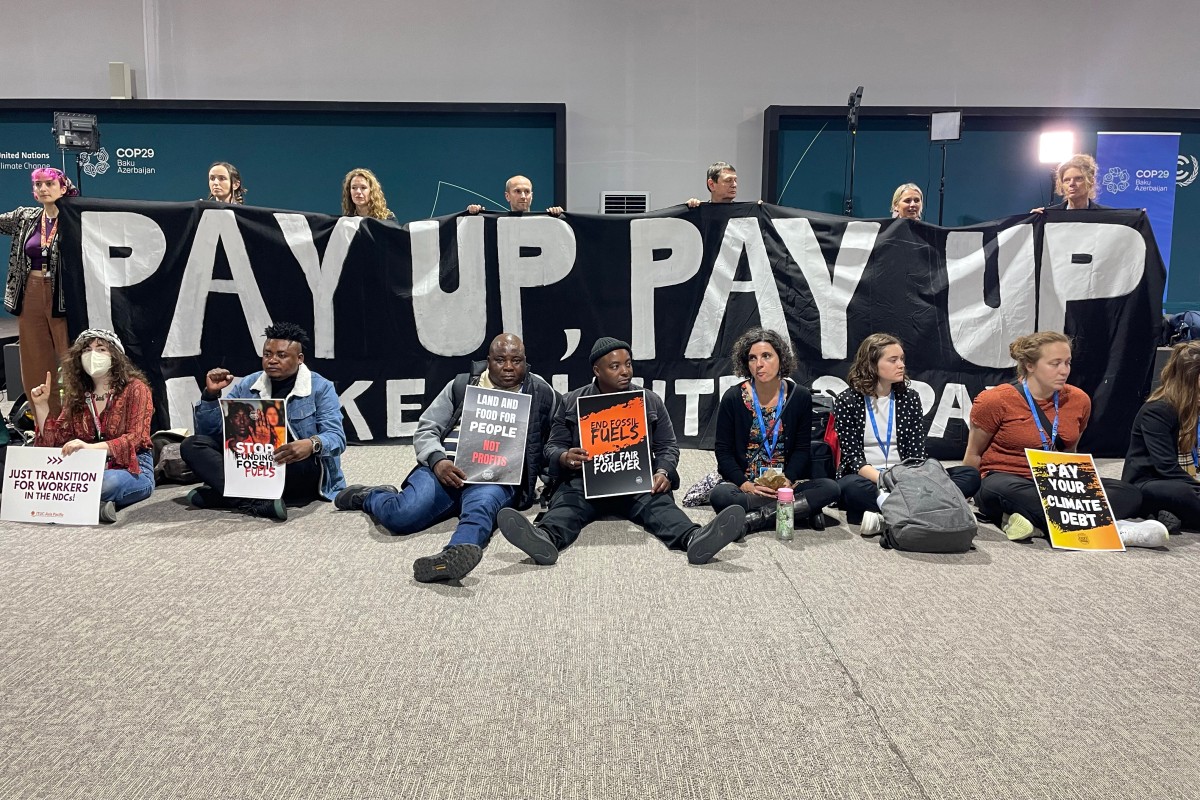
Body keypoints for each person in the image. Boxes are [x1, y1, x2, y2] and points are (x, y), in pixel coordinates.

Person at [497, 337, 745, 566]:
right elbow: (553, 447)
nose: (625, 371)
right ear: (597, 371)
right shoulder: (572, 401)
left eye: (628, 364)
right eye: (615, 366)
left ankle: (694, 538)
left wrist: (663, 471)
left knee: (660, 507)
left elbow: (667, 446)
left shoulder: (648, 400)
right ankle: (544, 538)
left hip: (633, 480)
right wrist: (565, 457)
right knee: (565, 509)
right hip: (585, 481)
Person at [335, 334, 559, 583]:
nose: (508, 367)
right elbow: (427, 428)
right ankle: (371, 497)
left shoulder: (540, 392)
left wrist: (550, 483)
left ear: (525, 361)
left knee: (480, 511)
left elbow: (553, 439)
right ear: (488, 361)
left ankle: (452, 557)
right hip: (446, 468)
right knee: (401, 517)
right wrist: (437, 460)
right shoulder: (462, 385)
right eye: (500, 360)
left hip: (495, 475)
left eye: (516, 360)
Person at [965, 331, 1166, 547]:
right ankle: (1112, 528)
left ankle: (1036, 524)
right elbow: (974, 453)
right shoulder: (995, 400)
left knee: (1129, 493)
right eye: (1055, 363)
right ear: (1030, 365)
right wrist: (962, 498)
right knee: (1001, 491)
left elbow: (1071, 454)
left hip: (1056, 483)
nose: (1064, 371)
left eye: (1067, 363)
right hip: (1007, 478)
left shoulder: (1079, 400)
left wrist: (1076, 486)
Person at [181, 322, 346, 519]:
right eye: (267, 354)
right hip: (251, 461)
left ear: (299, 358)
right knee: (192, 445)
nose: (272, 360)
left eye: (281, 355)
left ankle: (225, 495)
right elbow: (212, 433)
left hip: (292, 464)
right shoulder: (249, 384)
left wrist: (312, 444)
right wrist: (211, 395)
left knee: (298, 463)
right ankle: (256, 502)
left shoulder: (321, 388)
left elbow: (336, 437)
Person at [833, 333, 980, 533]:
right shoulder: (847, 400)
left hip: (906, 476)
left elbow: (916, 452)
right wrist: (884, 480)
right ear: (872, 364)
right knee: (850, 488)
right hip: (868, 477)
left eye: (902, 359)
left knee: (969, 475)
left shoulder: (909, 398)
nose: (901, 365)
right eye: (893, 360)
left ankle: (889, 515)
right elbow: (852, 458)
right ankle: (931, 511)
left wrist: (906, 481)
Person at [711, 327, 840, 532]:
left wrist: (787, 480)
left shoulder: (800, 396)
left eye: (766, 356)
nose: (759, 364)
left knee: (831, 488)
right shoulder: (733, 398)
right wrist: (746, 484)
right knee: (720, 496)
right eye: (752, 358)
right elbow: (723, 451)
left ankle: (752, 520)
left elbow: (801, 449)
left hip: (785, 485)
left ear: (781, 359)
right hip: (748, 485)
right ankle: (800, 510)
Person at [29, 329, 154, 524]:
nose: (93, 354)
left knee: (106, 482)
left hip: (132, 467)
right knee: (50, 481)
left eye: (101, 349)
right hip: (85, 469)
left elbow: (136, 438)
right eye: (87, 349)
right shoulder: (79, 394)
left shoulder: (136, 388)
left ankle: (73, 504)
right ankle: (96, 506)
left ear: (115, 355)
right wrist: (41, 405)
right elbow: (56, 440)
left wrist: (90, 448)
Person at [2, 167, 80, 417]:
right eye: (38, 185)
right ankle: (44, 423)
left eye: (49, 184)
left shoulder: (76, 216)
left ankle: (77, 418)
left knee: (71, 359)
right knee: (35, 360)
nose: (44, 189)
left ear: (63, 187)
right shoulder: (26, 217)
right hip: (31, 292)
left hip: (64, 295)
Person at [1122, 341, 1200, 532]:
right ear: (1193, 378)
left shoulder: (1193, 407)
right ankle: (1165, 512)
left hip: (1180, 481)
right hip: (1148, 482)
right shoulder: (1158, 410)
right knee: (1184, 493)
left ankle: (1169, 515)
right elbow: (1166, 468)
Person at [1031, 154, 1109, 213]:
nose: (1071, 184)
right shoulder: (1050, 215)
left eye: (1078, 178)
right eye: (1067, 180)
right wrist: (1032, 222)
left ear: (1091, 181)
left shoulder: (1106, 216)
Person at [466, 175, 563, 215]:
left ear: (532, 195)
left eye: (527, 191)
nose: (523, 196)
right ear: (507, 196)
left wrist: (561, 219)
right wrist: (474, 217)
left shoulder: (548, 222)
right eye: (518, 191)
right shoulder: (496, 223)